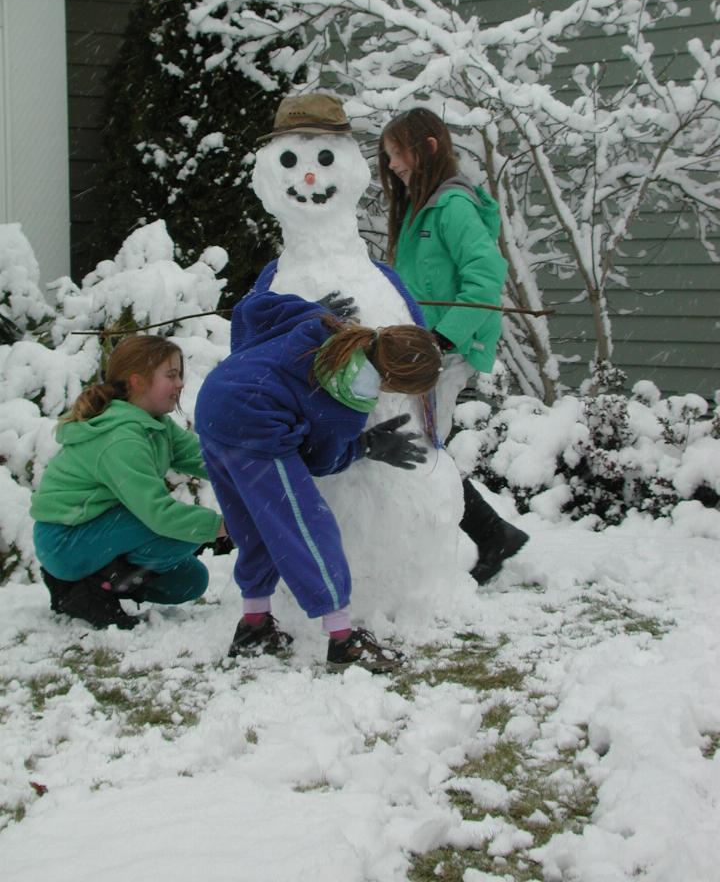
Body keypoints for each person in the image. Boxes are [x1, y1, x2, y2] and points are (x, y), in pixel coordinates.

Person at [195, 288, 441, 674]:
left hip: (213, 406)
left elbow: (250, 307)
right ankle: (343, 641)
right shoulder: (348, 399)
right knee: (306, 525)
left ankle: (254, 625)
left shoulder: (318, 324)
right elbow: (320, 462)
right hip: (254, 429)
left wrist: (303, 316)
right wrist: (366, 446)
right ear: (395, 383)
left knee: (258, 527)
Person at [379, 106, 529, 584]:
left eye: (397, 154)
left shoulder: (452, 205)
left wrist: (443, 339)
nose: (392, 166)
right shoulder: (421, 209)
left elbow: (486, 277)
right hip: (423, 353)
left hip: (447, 351)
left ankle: (458, 548)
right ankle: (493, 534)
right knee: (420, 447)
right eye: (387, 157)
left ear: (428, 148)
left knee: (421, 450)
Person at [31, 335, 226, 630]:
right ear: (137, 382)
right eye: (171, 376)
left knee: (190, 581)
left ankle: (102, 585)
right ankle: (82, 592)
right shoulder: (120, 438)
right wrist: (227, 526)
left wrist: (256, 468)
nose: (180, 384)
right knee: (180, 532)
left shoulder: (156, 424)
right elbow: (158, 514)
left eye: (180, 375)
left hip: (102, 531)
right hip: (65, 540)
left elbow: (206, 459)